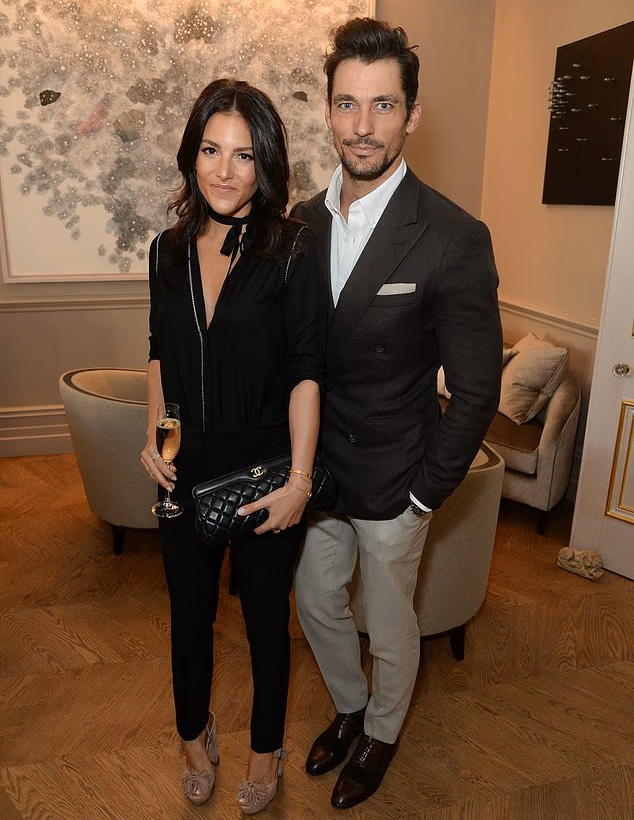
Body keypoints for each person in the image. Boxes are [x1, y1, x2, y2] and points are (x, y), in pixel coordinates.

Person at [291, 18, 503, 809]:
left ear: (412, 114)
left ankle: (382, 732)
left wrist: (423, 495)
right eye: (348, 104)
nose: (363, 125)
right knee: (316, 602)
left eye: (382, 105)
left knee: (389, 625)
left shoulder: (453, 236)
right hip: (319, 473)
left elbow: (476, 391)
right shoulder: (301, 224)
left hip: (395, 478)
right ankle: (350, 707)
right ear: (328, 111)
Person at [141, 78, 326, 814]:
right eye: (211, 150)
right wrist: (156, 443)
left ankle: (264, 749)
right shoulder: (165, 250)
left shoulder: (292, 250)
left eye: (244, 155)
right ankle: (194, 736)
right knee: (189, 617)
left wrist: (300, 482)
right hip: (183, 471)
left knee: (264, 624)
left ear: (266, 163)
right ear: (191, 156)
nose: (224, 170)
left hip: (267, 471)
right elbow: (159, 356)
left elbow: (307, 372)